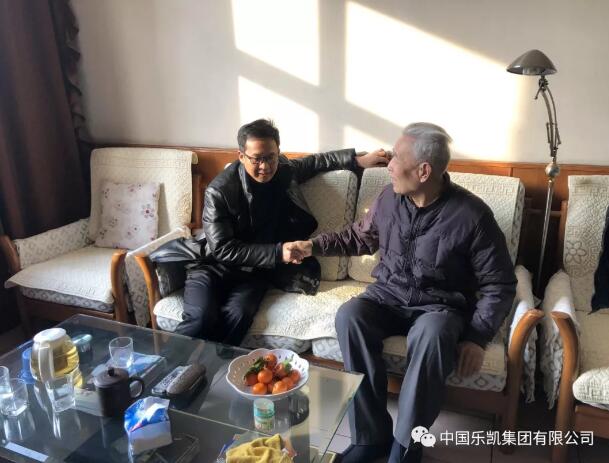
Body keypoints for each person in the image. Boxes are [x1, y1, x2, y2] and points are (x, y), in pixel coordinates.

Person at [286, 122, 517, 463]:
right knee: (350, 316)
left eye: (396, 158)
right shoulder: (390, 198)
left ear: (424, 171)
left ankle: (407, 446)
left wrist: (476, 336)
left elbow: (500, 283)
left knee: (433, 334)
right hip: (388, 295)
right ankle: (370, 437)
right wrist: (311, 246)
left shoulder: (472, 216)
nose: (389, 166)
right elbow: (359, 237)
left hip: (440, 308)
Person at [174, 118, 388, 344]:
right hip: (213, 268)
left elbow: (316, 162)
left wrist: (357, 160)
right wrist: (278, 252)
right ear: (241, 156)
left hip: (254, 273)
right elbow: (222, 249)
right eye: (257, 159)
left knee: (239, 315)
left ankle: (222, 363)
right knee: (201, 319)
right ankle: (165, 363)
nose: (265, 166)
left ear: (278, 152)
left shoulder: (283, 171)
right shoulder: (220, 191)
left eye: (270, 157)